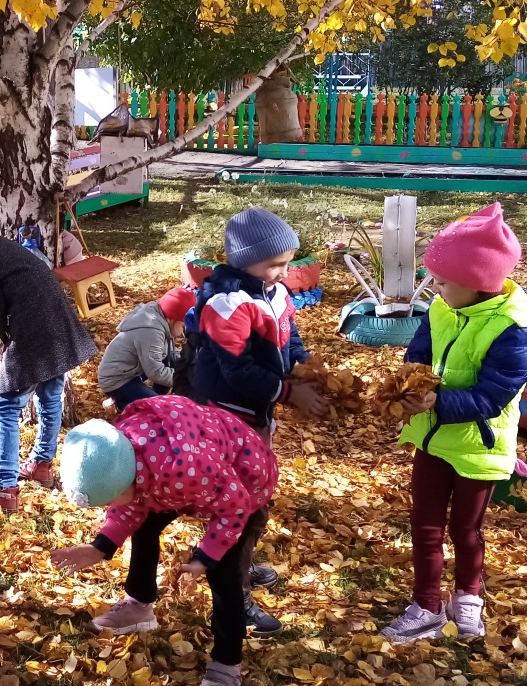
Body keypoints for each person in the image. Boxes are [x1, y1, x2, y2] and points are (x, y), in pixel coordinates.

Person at [380, 202, 527, 644]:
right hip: (432, 440)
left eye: (444, 280)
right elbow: (418, 353)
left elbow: (492, 397)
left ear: (477, 281)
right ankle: (426, 605)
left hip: (477, 447)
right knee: (425, 525)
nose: (436, 286)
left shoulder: (513, 328)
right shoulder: (441, 309)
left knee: (466, 530)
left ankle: (468, 596)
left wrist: (436, 402)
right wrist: (410, 384)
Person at [50, 396, 276, 686]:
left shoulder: (187, 468)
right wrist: (101, 547)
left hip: (247, 482)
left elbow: (235, 505)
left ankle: (227, 661)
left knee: (224, 571)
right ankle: (139, 604)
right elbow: (129, 506)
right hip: (175, 475)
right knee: (143, 525)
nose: (111, 506)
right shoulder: (120, 453)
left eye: (110, 499)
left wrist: (205, 557)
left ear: (129, 478)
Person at [0, 198, 98, 511]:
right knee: (51, 397)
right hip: (59, 323)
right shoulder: (1, 245)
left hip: (34, 332)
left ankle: (5, 487)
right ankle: (41, 464)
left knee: (7, 407)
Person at [189, 208, 329, 444]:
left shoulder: (276, 292)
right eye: (276, 265)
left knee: (259, 466)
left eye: (288, 263)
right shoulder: (228, 304)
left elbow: (288, 331)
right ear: (246, 262)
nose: (284, 273)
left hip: (259, 403)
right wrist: (291, 393)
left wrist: (303, 363)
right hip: (225, 413)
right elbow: (238, 370)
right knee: (236, 474)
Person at [98, 287, 195, 411]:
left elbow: (171, 354)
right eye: (183, 326)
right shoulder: (151, 332)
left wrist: (190, 368)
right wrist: (184, 380)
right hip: (119, 380)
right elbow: (156, 373)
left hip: (134, 370)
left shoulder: (160, 318)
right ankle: (123, 402)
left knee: (170, 358)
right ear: (171, 319)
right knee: (160, 409)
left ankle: (153, 395)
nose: (184, 332)